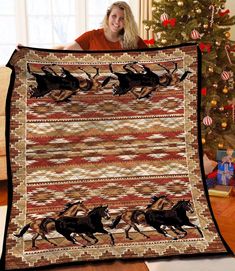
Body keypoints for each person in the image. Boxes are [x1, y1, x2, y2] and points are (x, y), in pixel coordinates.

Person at [59, 1, 147, 51]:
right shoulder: (91, 36)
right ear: (108, 16)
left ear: (127, 21)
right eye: (114, 16)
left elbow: (151, 60)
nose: (117, 21)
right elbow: (66, 52)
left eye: (122, 18)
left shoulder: (134, 40)